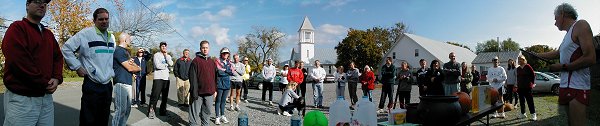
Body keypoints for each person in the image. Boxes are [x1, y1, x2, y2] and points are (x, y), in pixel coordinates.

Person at [2, 0, 63, 125]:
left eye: (45, 3)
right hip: (22, 98)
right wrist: (43, 82)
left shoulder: (49, 34)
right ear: (27, 5)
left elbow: (57, 57)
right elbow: (18, 61)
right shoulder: (17, 28)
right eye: (37, 1)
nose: (42, 5)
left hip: (46, 99)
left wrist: (56, 78)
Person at [536, 3, 595, 125]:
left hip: (577, 86)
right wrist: (536, 55)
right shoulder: (566, 36)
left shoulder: (581, 25)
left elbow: (590, 57)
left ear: (562, 14)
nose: (555, 22)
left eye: (555, 18)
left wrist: (562, 67)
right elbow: (557, 53)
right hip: (565, 85)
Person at [62, 8, 115, 125]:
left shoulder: (112, 37)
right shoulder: (86, 34)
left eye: (106, 19)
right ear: (94, 20)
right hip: (92, 84)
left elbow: (110, 59)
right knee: (88, 120)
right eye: (101, 19)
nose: (104, 21)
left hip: (107, 85)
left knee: (103, 119)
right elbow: (66, 48)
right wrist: (77, 67)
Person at [112, 33, 141, 126]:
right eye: (129, 38)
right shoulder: (118, 51)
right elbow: (131, 68)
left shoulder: (126, 52)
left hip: (128, 83)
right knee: (120, 110)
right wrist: (137, 67)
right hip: (121, 83)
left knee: (127, 109)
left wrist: (135, 66)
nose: (130, 40)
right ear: (124, 40)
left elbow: (134, 66)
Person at [188, 40, 218, 126]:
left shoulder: (212, 62)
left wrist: (215, 90)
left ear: (209, 49)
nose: (205, 49)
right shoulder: (196, 61)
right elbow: (192, 78)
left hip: (209, 93)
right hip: (197, 93)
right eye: (203, 48)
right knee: (194, 114)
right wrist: (194, 92)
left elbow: (215, 77)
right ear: (200, 49)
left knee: (207, 113)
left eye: (206, 48)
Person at [148, 42, 174, 118]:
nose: (164, 48)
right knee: (155, 96)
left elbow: (171, 63)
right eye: (162, 46)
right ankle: (151, 111)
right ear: (160, 47)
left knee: (164, 97)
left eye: (165, 47)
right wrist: (166, 65)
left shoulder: (168, 56)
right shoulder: (156, 55)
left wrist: (166, 56)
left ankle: (163, 111)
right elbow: (158, 66)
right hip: (158, 78)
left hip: (166, 78)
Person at [214, 47, 235, 125]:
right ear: (221, 54)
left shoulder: (229, 62)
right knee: (218, 100)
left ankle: (222, 115)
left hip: (227, 84)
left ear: (229, 54)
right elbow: (219, 72)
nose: (225, 54)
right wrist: (227, 71)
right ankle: (217, 117)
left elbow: (232, 72)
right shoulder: (217, 61)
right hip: (219, 83)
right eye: (224, 53)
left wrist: (225, 70)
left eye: (227, 53)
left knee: (223, 101)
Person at [516, 55, 537, 121]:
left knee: (530, 101)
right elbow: (517, 77)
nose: (519, 61)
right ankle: (523, 113)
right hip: (520, 87)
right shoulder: (518, 68)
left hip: (527, 87)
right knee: (521, 101)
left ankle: (533, 114)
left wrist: (532, 83)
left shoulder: (528, 66)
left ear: (523, 60)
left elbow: (533, 74)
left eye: (521, 59)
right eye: (518, 59)